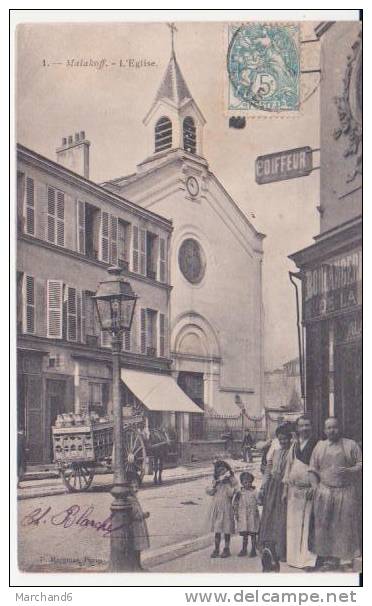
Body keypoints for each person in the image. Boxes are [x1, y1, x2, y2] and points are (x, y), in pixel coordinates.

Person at [308, 417, 362, 571]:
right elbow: (312, 469)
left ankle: (345, 560)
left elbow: (362, 463)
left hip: (345, 492)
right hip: (325, 492)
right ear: (325, 430)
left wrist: (351, 470)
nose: (332, 430)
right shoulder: (319, 446)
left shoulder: (350, 445)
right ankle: (328, 560)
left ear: (340, 428)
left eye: (335, 427)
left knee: (345, 526)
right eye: (329, 428)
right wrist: (315, 487)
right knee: (325, 525)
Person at [283, 415, 317, 569]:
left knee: (308, 524)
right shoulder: (294, 445)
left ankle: (307, 560)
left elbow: (320, 467)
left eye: (307, 425)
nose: (304, 428)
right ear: (297, 428)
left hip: (309, 489)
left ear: (311, 426)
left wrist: (314, 487)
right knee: (293, 524)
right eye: (302, 425)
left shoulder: (317, 444)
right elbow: (288, 468)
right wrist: (285, 490)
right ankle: (294, 558)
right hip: (294, 491)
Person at [258, 424, 292, 563]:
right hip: (273, 487)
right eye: (280, 439)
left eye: (285, 439)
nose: (283, 441)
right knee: (270, 517)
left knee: (282, 518)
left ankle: (281, 550)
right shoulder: (275, 452)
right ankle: (269, 548)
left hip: (285, 487)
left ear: (290, 438)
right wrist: (262, 487)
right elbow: (268, 470)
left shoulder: (293, 452)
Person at [206, 459, 238, 558]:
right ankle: (216, 549)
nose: (221, 472)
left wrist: (228, 483)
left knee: (227, 529)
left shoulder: (230, 480)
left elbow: (234, 491)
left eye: (223, 469)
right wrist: (216, 484)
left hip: (227, 507)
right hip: (217, 507)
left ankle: (226, 548)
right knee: (217, 529)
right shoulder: (215, 481)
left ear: (227, 469)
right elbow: (209, 492)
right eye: (219, 470)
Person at [127, 472, 150, 571]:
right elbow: (133, 515)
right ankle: (136, 566)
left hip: (138, 525)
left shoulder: (133, 498)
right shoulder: (130, 499)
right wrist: (143, 515)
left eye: (136, 486)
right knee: (136, 547)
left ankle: (138, 565)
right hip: (135, 526)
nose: (135, 489)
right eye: (133, 487)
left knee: (138, 547)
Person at [233, 471, 260, 557]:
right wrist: (236, 513)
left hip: (252, 515)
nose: (247, 484)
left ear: (252, 482)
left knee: (253, 533)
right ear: (242, 483)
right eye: (245, 482)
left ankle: (253, 550)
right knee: (244, 534)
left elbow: (259, 501)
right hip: (243, 515)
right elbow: (235, 503)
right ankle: (244, 549)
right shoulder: (239, 492)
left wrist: (261, 499)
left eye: (249, 482)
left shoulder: (255, 492)